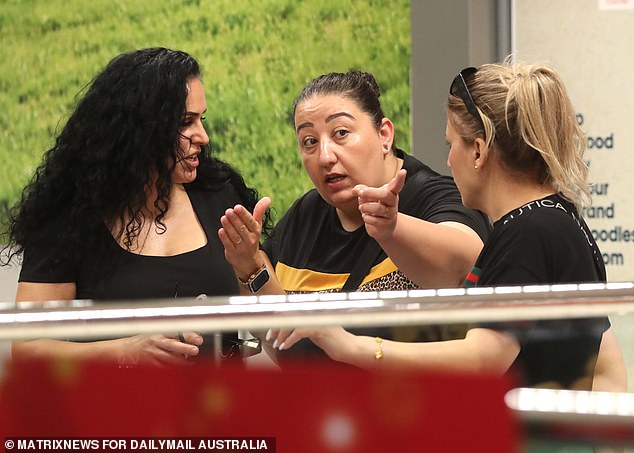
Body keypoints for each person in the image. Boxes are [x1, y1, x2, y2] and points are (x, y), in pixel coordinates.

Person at [265, 61, 627, 391]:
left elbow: (484, 358)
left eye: (450, 144)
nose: (448, 159)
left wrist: (350, 345)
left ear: (478, 152)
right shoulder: (557, 216)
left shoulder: (528, 230)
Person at [2, 47, 275, 366]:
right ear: (139, 130)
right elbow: (28, 349)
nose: (202, 136)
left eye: (202, 120)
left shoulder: (219, 192)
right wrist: (126, 351)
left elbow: (276, 331)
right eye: (186, 123)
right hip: (114, 411)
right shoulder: (69, 218)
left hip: (220, 408)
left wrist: (250, 265)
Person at [218, 70, 492, 362]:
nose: (325, 156)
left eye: (341, 134)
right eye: (309, 141)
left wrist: (392, 227)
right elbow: (290, 350)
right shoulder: (304, 216)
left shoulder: (432, 196)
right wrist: (249, 265)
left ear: (384, 135)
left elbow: (467, 263)